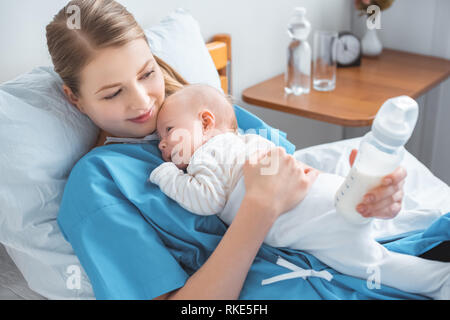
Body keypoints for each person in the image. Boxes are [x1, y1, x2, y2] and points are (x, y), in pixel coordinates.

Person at [47, 0, 408, 300]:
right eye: (113, 93)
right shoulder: (97, 184)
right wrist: (259, 209)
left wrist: (368, 202)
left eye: (146, 74)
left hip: (338, 259)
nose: (143, 103)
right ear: (74, 98)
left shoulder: (203, 111)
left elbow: (300, 186)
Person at [149, 84, 449, 299]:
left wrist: (168, 176)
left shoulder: (206, 155)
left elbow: (206, 198)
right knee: (388, 222)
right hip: (323, 188)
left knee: (373, 264)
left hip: (308, 222)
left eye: (168, 131)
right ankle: (434, 219)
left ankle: (439, 282)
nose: (161, 144)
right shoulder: (247, 141)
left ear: (205, 122)